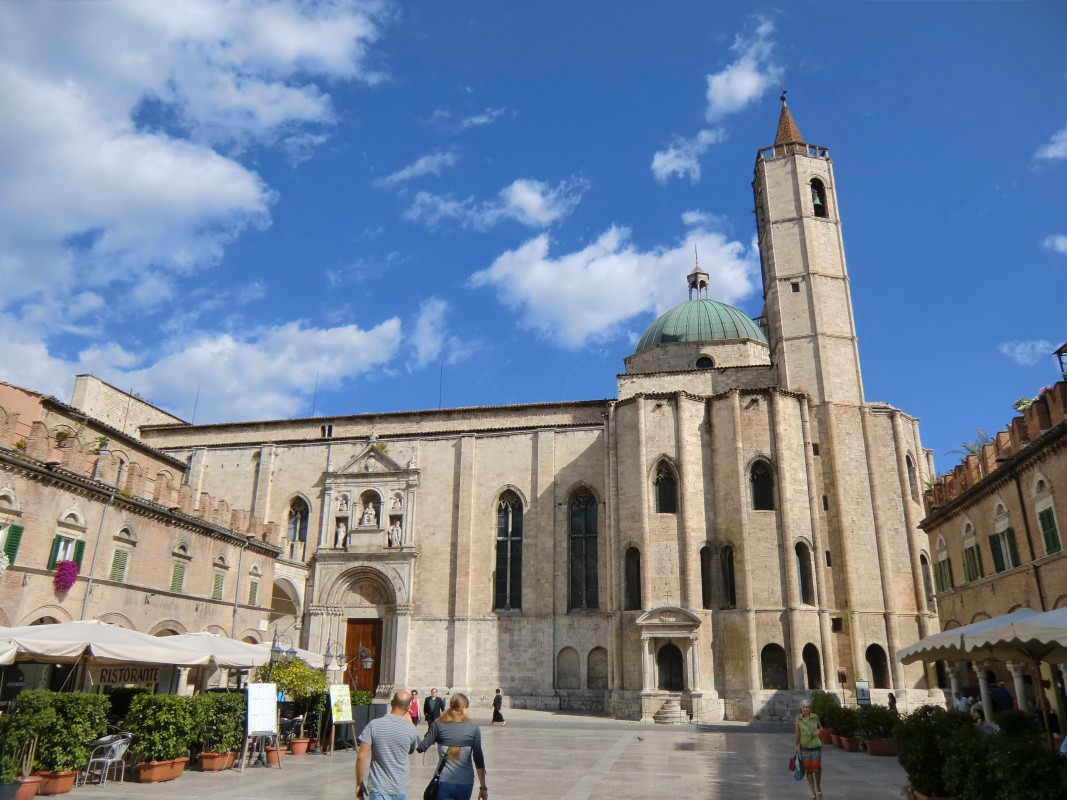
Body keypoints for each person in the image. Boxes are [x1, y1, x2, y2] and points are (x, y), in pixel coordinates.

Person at [418, 693, 487, 800]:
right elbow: (478, 758)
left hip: (444, 781)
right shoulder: (474, 728)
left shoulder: (438, 724)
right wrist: (483, 788)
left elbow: (421, 747)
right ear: (464, 708)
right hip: (466, 782)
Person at [355, 690, 420, 800]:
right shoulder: (411, 729)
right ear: (408, 707)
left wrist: (358, 783)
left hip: (379, 787)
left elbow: (361, 757)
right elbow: (411, 749)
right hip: (400, 787)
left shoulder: (374, 725)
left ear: (392, 703)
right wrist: (410, 724)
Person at [794, 700, 823, 800]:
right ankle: (813, 792)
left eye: (807, 707)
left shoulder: (815, 717)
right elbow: (797, 732)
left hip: (815, 745)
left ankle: (818, 787)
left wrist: (818, 731)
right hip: (804, 746)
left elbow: (822, 728)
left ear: (810, 708)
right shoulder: (798, 718)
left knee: (817, 769)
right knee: (808, 770)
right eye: (803, 707)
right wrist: (796, 745)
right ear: (801, 709)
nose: (805, 709)